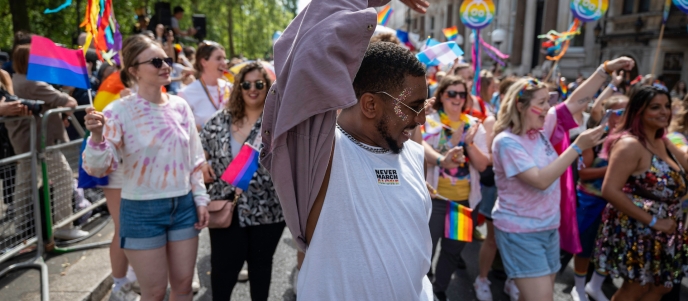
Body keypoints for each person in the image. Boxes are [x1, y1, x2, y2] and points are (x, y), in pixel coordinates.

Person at [261, 0, 435, 299]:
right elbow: (307, 53)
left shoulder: (415, 156)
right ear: (370, 104)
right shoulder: (321, 157)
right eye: (413, 107)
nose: (421, 119)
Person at [491, 57, 633, 301]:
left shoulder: (541, 128)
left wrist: (605, 70)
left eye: (549, 102)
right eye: (542, 102)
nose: (548, 108)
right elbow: (540, 180)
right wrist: (577, 147)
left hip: (548, 228)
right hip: (521, 232)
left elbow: (576, 101)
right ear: (521, 106)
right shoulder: (507, 142)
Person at [83, 35, 209, 301]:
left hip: (184, 206)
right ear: (133, 71)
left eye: (166, 59)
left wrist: (199, 197)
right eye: (155, 61)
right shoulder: (118, 111)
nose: (165, 65)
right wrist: (96, 138)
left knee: (184, 286)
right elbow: (98, 168)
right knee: (153, 292)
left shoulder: (180, 106)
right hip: (141, 212)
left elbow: (195, 158)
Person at [199, 62, 285, 301]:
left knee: (261, 271)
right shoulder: (218, 121)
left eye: (259, 83)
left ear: (267, 87)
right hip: (226, 210)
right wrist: (202, 165)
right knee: (222, 275)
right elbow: (197, 153)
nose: (252, 89)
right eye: (246, 84)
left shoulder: (278, 124)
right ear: (238, 87)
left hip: (268, 211)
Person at [594, 85, 688, 301]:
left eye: (666, 106)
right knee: (636, 287)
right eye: (655, 107)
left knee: (662, 286)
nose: (664, 111)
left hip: (669, 226)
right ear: (639, 111)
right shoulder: (630, 144)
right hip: (640, 227)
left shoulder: (662, 140)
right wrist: (655, 221)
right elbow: (609, 190)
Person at [7, 43, 85, 240]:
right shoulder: (34, 84)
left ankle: (22, 228)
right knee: (64, 177)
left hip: (24, 141)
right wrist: (66, 95)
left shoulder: (15, 80)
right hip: (41, 142)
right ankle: (63, 225)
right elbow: (69, 102)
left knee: (25, 184)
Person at [421, 75, 489, 301]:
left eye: (462, 94)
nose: (457, 98)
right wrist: (445, 153)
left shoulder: (473, 126)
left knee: (452, 251)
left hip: (464, 202)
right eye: (452, 93)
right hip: (435, 198)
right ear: (441, 95)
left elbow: (481, 165)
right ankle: (421, 288)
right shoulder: (429, 121)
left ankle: (439, 290)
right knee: (425, 249)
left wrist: (468, 144)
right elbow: (419, 150)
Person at [570, 95, 628, 301]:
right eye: (620, 112)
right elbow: (583, 173)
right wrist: (615, 169)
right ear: (609, 114)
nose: (624, 116)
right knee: (584, 247)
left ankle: (594, 286)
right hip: (589, 201)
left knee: (609, 247)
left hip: (616, 203)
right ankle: (578, 287)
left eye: (627, 111)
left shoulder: (629, 140)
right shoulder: (593, 137)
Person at [473, 77, 517, 301]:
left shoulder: (535, 129)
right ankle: (482, 279)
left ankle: (512, 279)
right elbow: (489, 158)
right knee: (492, 239)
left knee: (513, 239)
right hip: (497, 188)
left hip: (520, 195)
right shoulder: (497, 124)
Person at [178, 41, 230, 130]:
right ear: (203, 62)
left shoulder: (229, 88)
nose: (224, 63)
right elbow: (181, 129)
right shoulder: (186, 93)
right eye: (218, 58)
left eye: (224, 58)